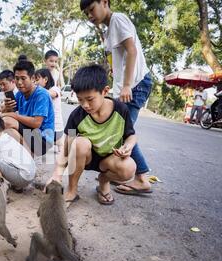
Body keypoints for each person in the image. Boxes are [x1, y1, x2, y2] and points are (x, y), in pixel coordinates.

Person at [80, 0, 153, 195]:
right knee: (121, 132)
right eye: (86, 13)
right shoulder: (109, 28)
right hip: (126, 86)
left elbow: (132, 51)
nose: (89, 16)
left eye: (92, 9)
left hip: (135, 84)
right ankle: (130, 173)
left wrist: (127, 85)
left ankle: (141, 178)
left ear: (105, 2)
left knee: (123, 132)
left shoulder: (118, 19)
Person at [47, 65, 137, 206]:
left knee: (129, 169)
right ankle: (72, 190)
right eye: (80, 99)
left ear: (105, 91)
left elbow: (131, 135)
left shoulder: (121, 109)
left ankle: (103, 180)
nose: (85, 105)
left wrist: (128, 146)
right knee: (79, 143)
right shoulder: (77, 115)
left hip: (109, 160)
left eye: (90, 99)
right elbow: (66, 147)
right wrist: (57, 174)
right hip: (86, 158)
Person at [2, 59, 55, 157]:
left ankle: (28, 159)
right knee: (7, 129)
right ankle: (23, 158)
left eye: (23, 78)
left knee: (8, 121)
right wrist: (7, 107)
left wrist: (13, 115)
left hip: (43, 140)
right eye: (17, 78)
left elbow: (36, 123)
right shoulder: (19, 94)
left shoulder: (41, 94)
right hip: (30, 133)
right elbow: (9, 112)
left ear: (33, 78)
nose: (19, 82)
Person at [34, 68, 64, 153]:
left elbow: (52, 94)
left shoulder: (55, 89)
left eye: (37, 79)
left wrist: (35, 88)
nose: (35, 83)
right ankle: (57, 144)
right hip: (47, 129)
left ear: (46, 79)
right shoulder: (39, 93)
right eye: (34, 80)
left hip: (56, 129)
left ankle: (58, 143)